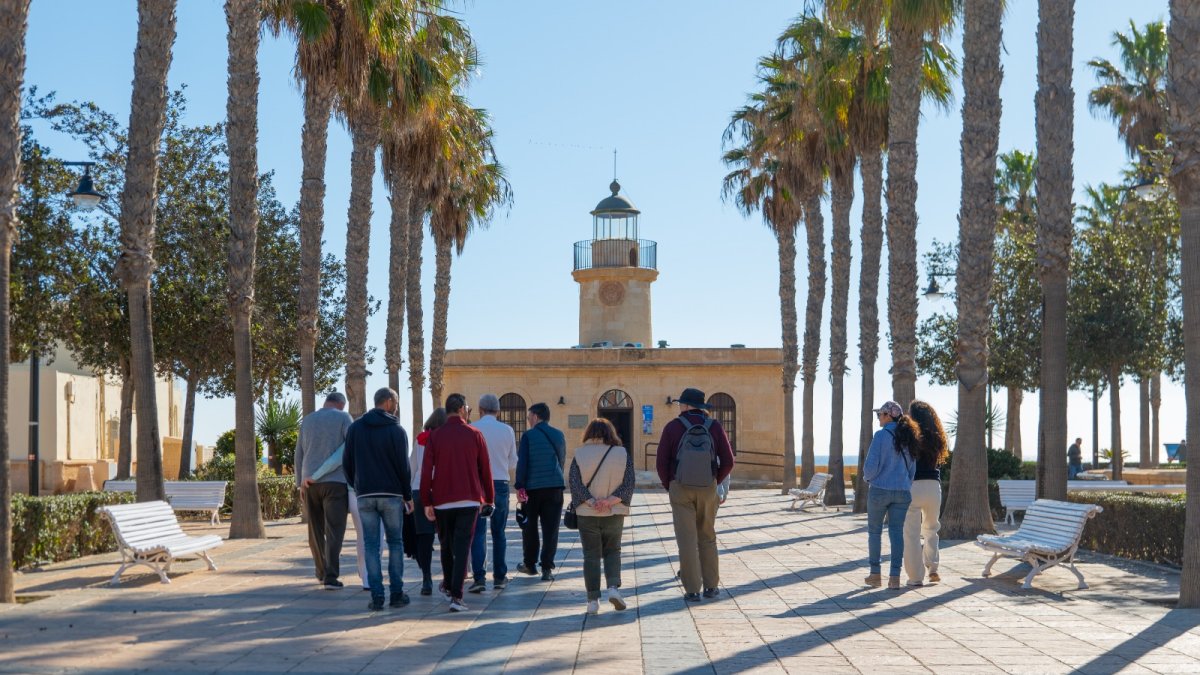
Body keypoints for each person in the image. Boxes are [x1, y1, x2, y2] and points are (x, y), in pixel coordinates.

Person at [656, 387, 734, 602]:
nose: (680, 406)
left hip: (680, 487)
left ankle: (692, 590)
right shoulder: (715, 427)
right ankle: (711, 587)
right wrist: (714, 480)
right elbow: (728, 461)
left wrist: (670, 484)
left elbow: (661, 461)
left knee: (687, 540)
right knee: (707, 536)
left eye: (682, 403)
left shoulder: (673, 427)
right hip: (708, 487)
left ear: (688, 406)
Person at [421, 393, 494, 612]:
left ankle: (449, 586)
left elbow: (427, 471)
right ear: (462, 408)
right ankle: (457, 595)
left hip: (442, 500)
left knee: (446, 545)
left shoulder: (435, 436)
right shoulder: (474, 434)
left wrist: (427, 500)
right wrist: (488, 498)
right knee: (463, 546)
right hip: (469, 498)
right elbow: (485, 469)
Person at [343, 387, 413, 612]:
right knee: (395, 543)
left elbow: (347, 462)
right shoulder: (397, 431)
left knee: (371, 545)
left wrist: (358, 485)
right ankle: (396, 593)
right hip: (392, 495)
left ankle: (377, 596)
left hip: (365, 495)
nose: (397, 405)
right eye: (397, 401)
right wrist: (408, 495)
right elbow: (404, 467)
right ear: (389, 402)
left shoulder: (355, 429)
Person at [568, 418, 635, 615]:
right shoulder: (622, 454)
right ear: (610, 433)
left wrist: (591, 501)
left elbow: (575, 483)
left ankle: (592, 600)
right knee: (613, 550)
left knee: (591, 555)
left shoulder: (579, 454)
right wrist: (609, 502)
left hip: (587, 513)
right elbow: (629, 483)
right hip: (613, 512)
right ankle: (613, 587)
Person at [295, 392, 353, 590]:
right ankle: (330, 576)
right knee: (335, 530)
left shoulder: (308, 420)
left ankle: (320, 571)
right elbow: (350, 447)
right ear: (341, 404)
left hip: (309, 483)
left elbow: (299, 453)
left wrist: (299, 483)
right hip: (335, 483)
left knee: (315, 530)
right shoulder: (344, 418)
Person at [862, 400, 918, 590]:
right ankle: (895, 577)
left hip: (879, 490)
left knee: (875, 532)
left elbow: (870, 468)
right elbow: (912, 469)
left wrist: (868, 478)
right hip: (902, 492)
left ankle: (875, 574)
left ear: (888, 415)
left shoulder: (880, 436)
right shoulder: (908, 437)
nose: (878, 417)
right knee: (896, 533)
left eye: (880, 414)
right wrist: (903, 483)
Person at [468, 394, 519, 593]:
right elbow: (513, 461)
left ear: (480, 409)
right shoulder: (507, 430)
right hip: (500, 483)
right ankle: (499, 576)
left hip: (478, 485)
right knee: (499, 532)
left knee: (478, 532)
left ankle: (479, 577)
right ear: (497, 411)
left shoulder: (473, 429)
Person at [514, 402, 567, 581]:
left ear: (536, 417)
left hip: (532, 489)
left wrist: (519, 486)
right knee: (551, 529)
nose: (528, 421)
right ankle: (547, 568)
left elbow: (522, 464)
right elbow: (561, 460)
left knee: (530, 527)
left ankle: (530, 564)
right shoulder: (559, 435)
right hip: (554, 487)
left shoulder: (528, 436)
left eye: (529, 418)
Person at [902, 401, 949, 587]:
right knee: (931, 529)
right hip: (933, 486)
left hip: (913, 487)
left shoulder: (910, 436)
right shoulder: (937, 438)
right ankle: (933, 567)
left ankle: (915, 577)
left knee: (911, 534)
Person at [410, 408, 448, 596]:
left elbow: (413, 467)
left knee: (424, 537)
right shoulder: (448, 440)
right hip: (442, 491)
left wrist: (408, 493)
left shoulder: (421, 439)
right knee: (445, 537)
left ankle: (426, 578)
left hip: (419, 490)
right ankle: (449, 576)